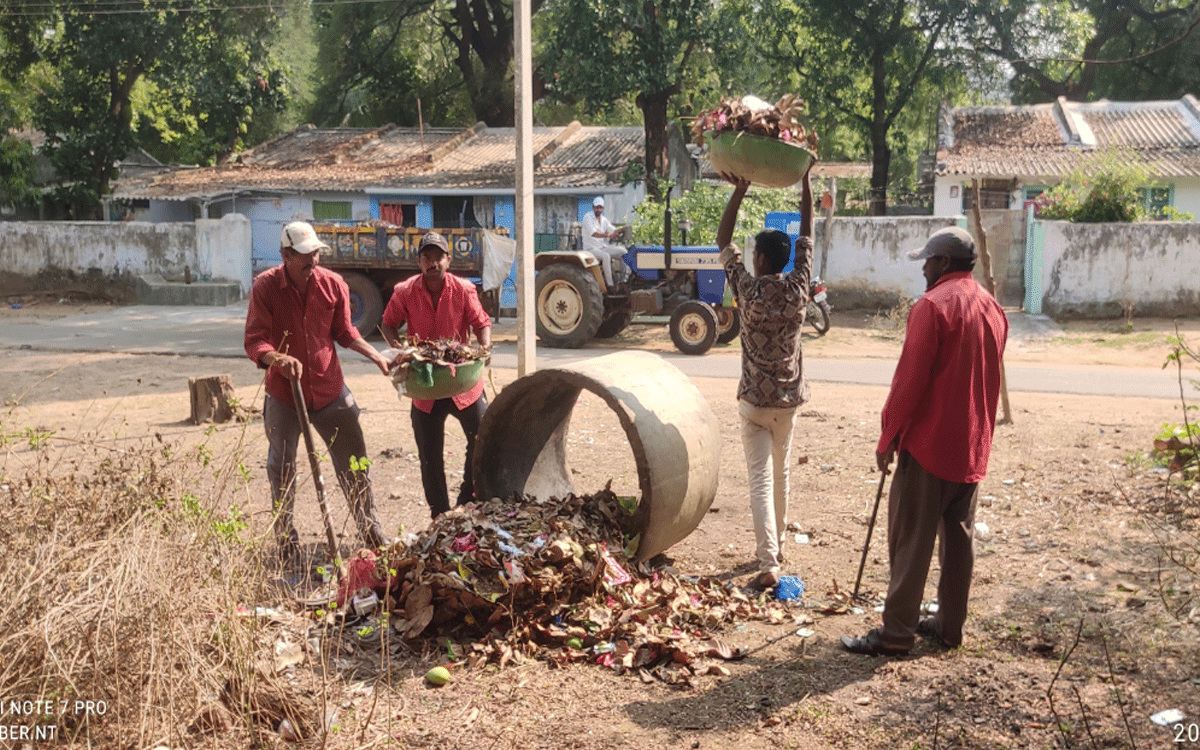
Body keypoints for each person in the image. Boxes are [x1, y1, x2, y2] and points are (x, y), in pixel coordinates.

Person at [842, 226, 1009, 656]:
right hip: (971, 446)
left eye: (928, 261)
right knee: (958, 541)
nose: (923, 268)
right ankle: (949, 627)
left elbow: (909, 382)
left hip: (929, 444)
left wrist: (888, 436)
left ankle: (896, 632)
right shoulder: (993, 308)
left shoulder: (932, 306)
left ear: (944, 263)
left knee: (910, 539)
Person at [244, 220, 392, 568]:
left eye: (316, 256)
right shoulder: (265, 288)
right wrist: (277, 359)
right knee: (281, 467)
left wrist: (377, 358)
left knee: (355, 463)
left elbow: (344, 331)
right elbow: (254, 340)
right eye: (306, 258)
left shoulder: (332, 284)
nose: (313, 264)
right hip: (284, 392)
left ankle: (370, 531)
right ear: (286, 256)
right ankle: (284, 538)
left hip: (328, 388)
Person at [716, 163, 815, 591]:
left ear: (758, 258)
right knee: (782, 472)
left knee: (759, 479)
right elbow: (808, 233)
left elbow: (722, 241)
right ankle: (778, 550)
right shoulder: (799, 287)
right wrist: (806, 181)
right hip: (788, 401)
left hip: (753, 402)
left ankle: (768, 560)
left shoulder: (747, 288)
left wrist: (740, 191)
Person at [380, 231, 493, 519]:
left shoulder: (464, 289)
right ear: (419, 262)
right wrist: (400, 352)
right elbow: (388, 324)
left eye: (438, 257)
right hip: (426, 383)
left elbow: (482, 323)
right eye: (427, 258)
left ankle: (468, 499)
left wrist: (484, 347)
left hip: (461, 380)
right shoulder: (404, 291)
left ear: (448, 260)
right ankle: (439, 515)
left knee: (483, 437)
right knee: (430, 455)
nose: (433, 263)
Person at [581, 196, 625, 288]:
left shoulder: (604, 219)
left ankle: (622, 281)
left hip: (602, 247)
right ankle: (610, 284)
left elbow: (612, 229)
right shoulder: (587, 217)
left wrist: (621, 230)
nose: (598, 209)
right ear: (593, 207)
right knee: (606, 256)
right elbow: (594, 233)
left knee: (624, 252)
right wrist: (608, 235)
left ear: (603, 208)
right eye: (597, 207)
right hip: (590, 249)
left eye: (600, 207)